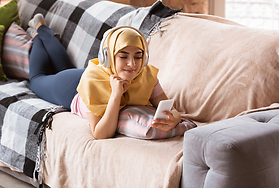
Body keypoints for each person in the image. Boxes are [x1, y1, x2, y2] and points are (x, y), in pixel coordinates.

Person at [29, 14, 196, 140]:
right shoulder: (92, 82)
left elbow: (170, 109)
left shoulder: (147, 75)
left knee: (65, 66)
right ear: (108, 57)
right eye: (123, 56)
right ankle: (40, 31)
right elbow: (100, 134)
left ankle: (45, 34)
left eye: (138, 57)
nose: (132, 64)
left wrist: (175, 118)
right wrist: (116, 95)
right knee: (37, 79)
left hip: (95, 74)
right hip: (71, 88)